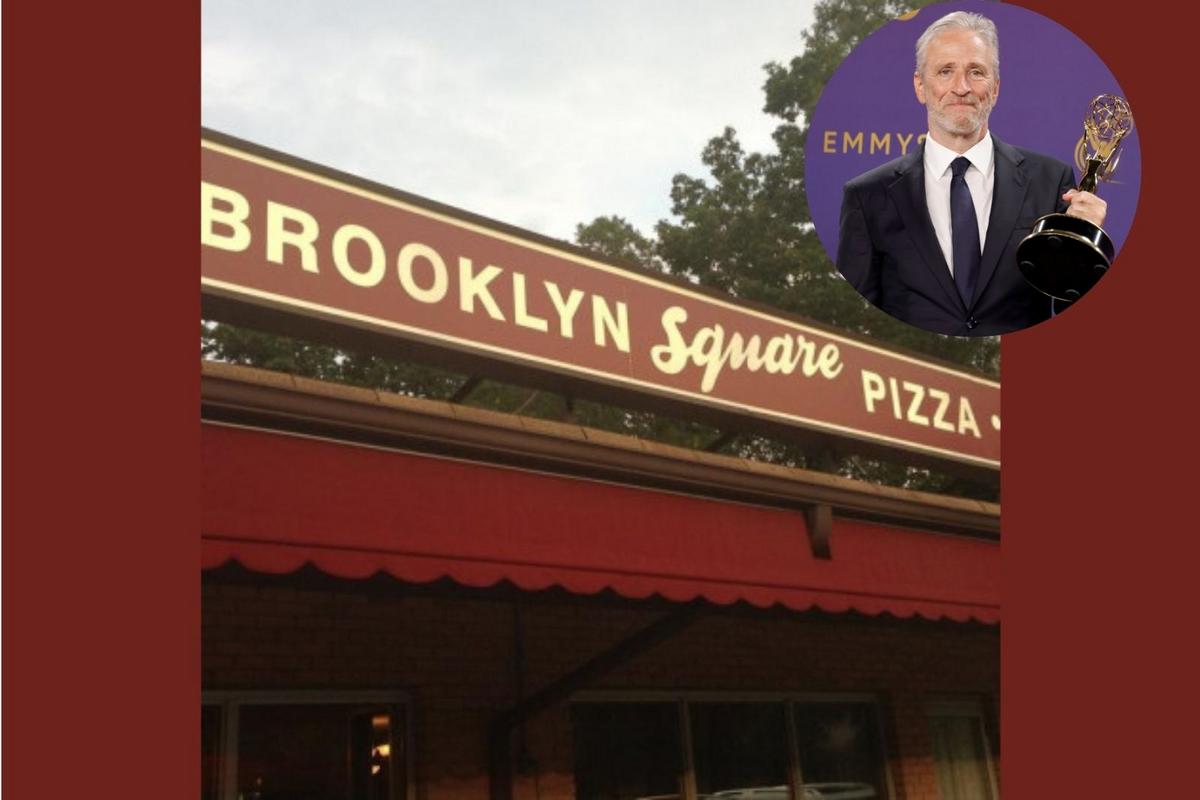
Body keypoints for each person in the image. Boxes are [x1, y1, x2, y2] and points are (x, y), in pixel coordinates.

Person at [835, 10, 1106, 336]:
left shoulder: (1050, 181)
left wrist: (1085, 243)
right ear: (920, 87)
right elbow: (852, 319)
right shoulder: (867, 196)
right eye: (945, 71)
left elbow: (1070, 309)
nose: (960, 87)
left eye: (976, 72)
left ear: (995, 88)